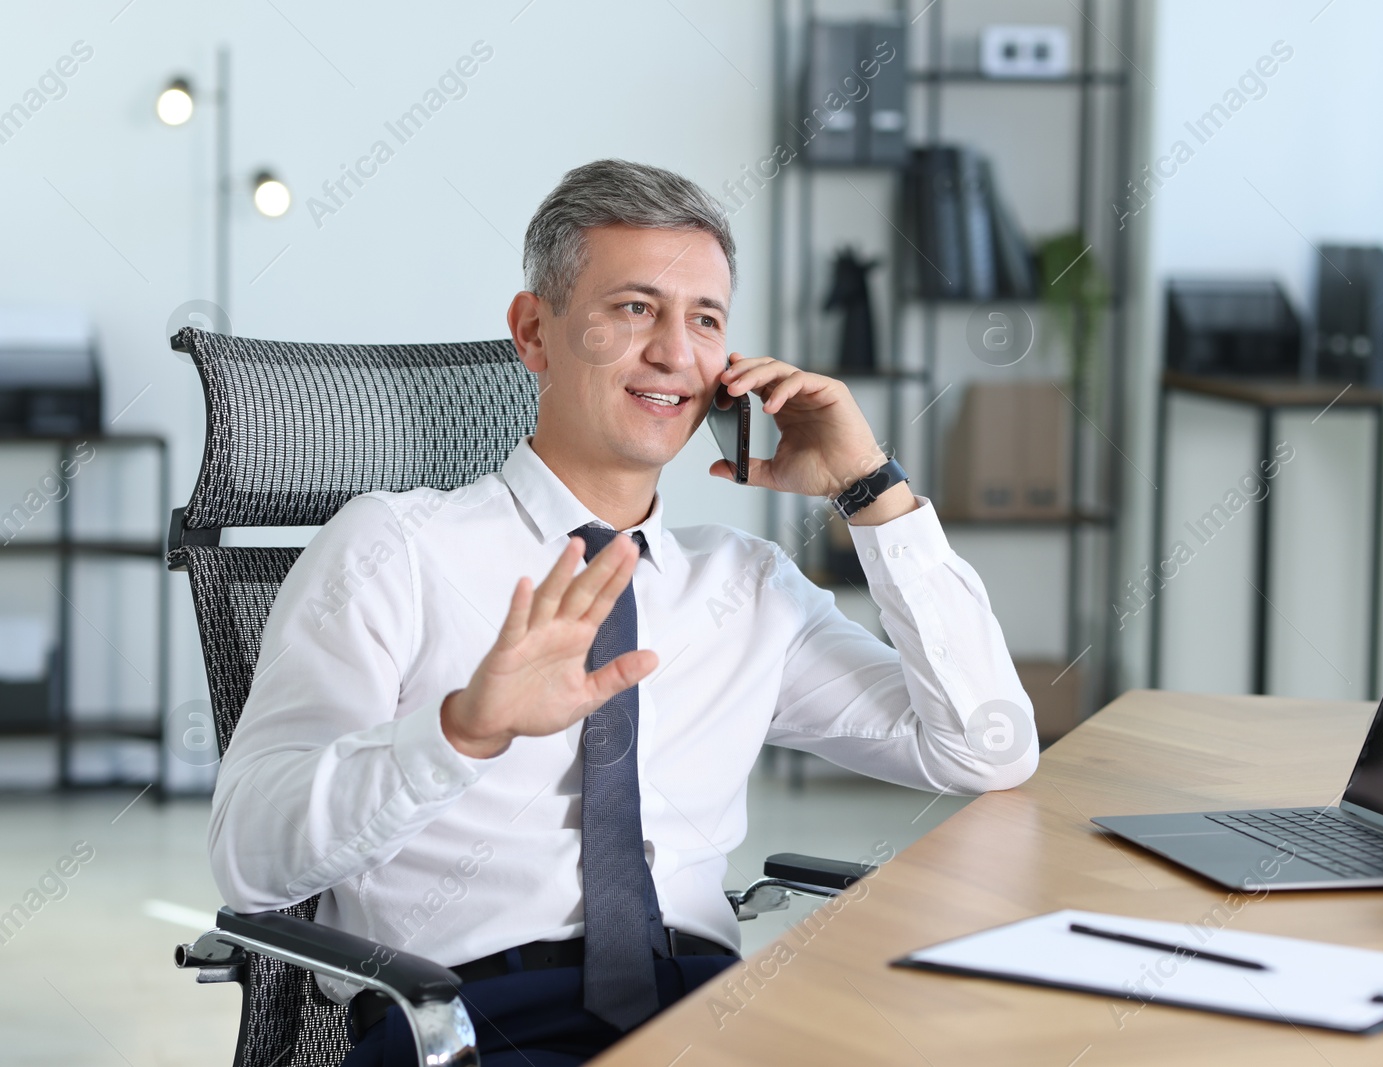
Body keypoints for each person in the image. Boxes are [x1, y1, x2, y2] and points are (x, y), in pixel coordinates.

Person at [209, 159, 1039, 1066]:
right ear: (535, 332)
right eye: (635, 307)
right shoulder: (395, 547)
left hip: (711, 1019)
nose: (675, 353)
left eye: (706, 320)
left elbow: (984, 748)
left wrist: (871, 490)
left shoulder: (745, 584)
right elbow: (251, 859)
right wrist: (459, 733)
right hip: (467, 1022)